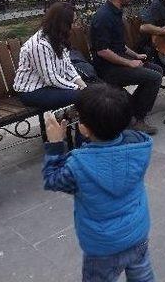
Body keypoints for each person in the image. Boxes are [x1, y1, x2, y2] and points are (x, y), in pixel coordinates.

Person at [42, 84, 155, 282]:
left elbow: (54, 180)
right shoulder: (140, 148)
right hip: (137, 233)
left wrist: (55, 145)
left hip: (102, 247)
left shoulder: (77, 165)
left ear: (84, 128)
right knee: (143, 276)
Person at [90, 0, 163, 135]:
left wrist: (135, 55)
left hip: (118, 62)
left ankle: (129, 110)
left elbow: (118, 45)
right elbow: (102, 51)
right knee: (154, 77)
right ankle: (138, 118)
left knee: (157, 70)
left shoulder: (115, 12)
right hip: (107, 68)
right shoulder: (103, 17)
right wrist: (129, 63)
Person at [14, 2, 86, 110]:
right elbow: (51, 79)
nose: (75, 25)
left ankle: (77, 125)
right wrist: (77, 88)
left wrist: (82, 84)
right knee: (82, 97)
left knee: (92, 92)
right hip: (32, 91)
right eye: (73, 22)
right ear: (62, 24)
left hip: (50, 86)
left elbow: (68, 66)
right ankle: (74, 125)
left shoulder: (58, 37)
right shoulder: (40, 44)